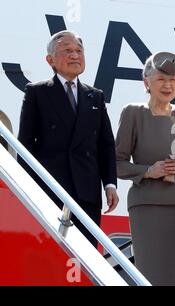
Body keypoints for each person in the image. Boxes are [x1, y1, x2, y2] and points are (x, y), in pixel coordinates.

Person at [17, 30, 119, 246]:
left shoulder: (95, 96)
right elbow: (25, 145)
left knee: (84, 259)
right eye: (67, 51)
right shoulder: (37, 92)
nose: (75, 55)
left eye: (78, 51)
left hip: (87, 192)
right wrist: (28, 187)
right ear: (50, 60)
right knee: (47, 256)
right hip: (50, 190)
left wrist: (110, 184)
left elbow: (106, 145)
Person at [115, 51, 175, 285]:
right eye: (161, 79)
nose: (168, 85)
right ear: (147, 82)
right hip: (148, 207)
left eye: (173, 80)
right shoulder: (133, 113)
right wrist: (148, 171)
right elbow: (116, 163)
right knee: (152, 275)